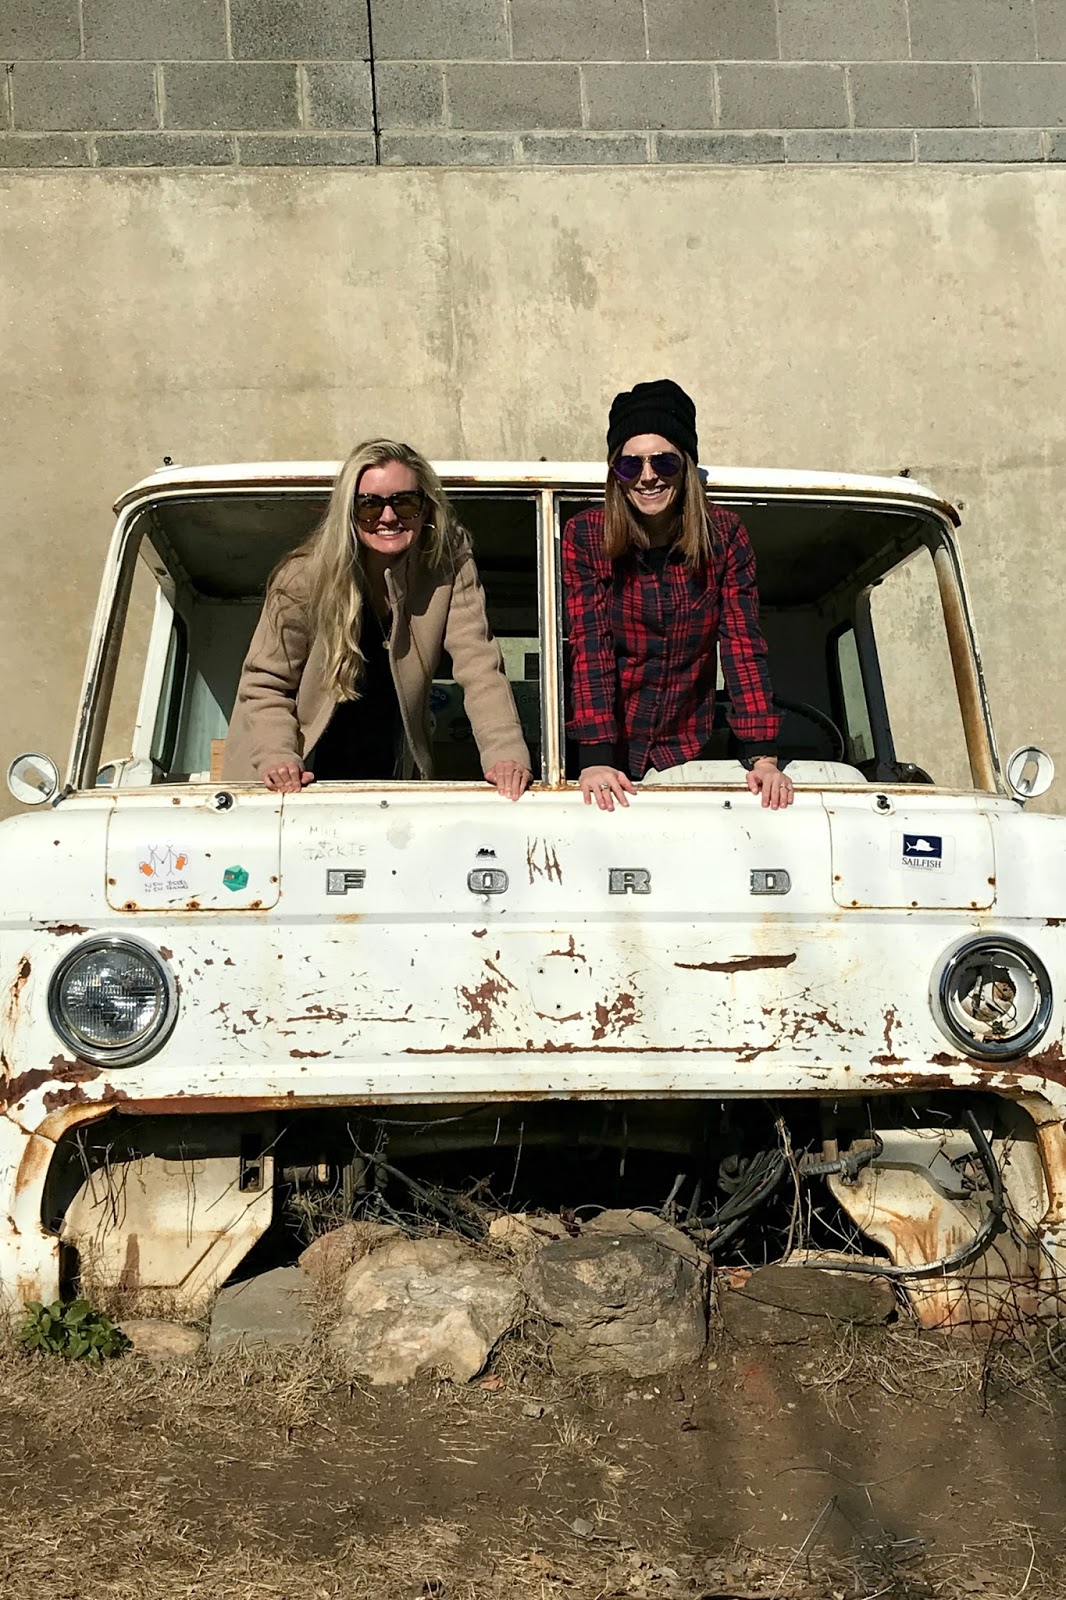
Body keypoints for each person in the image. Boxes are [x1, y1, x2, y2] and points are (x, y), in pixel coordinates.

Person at [223, 438, 532, 798]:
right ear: (348, 512)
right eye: (369, 505)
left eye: (405, 502)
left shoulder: (449, 569)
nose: (388, 517)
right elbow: (265, 683)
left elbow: (480, 667)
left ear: (426, 508)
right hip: (291, 781)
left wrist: (505, 754)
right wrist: (278, 757)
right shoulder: (303, 576)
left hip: (388, 780)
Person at [563, 379, 793, 812]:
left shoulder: (724, 535)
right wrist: (595, 757)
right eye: (630, 465)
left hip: (689, 748)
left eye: (664, 461)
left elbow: (742, 645)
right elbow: (590, 647)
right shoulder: (586, 535)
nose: (648, 476)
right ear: (616, 474)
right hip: (608, 748)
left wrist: (763, 756)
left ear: (685, 465)